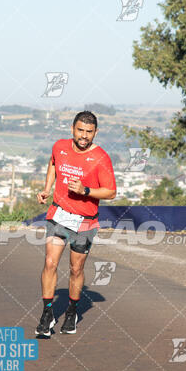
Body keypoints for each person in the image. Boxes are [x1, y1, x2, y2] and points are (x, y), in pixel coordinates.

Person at [35, 111, 116, 336]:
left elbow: (110, 192)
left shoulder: (101, 158)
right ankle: (47, 313)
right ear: (72, 129)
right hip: (58, 214)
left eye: (89, 132)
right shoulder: (59, 146)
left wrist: (85, 190)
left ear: (95, 133)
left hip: (85, 221)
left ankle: (71, 310)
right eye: (80, 130)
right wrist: (47, 188)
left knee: (75, 268)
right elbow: (53, 164)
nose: (84, 136)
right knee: (50, 263)